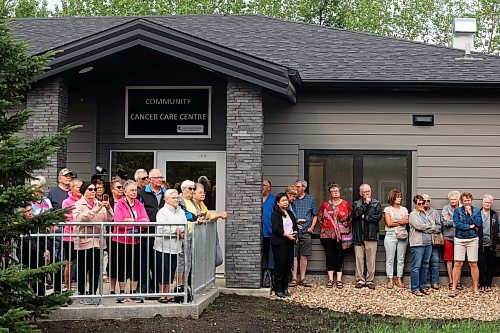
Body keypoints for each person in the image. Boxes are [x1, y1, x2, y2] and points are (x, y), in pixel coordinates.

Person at [73, 182, 113, 305]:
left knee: (95, 270)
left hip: (98, 241)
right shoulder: (78, 204)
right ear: (84, 191)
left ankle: (92, 292)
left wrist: (108, 208)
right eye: (90, 189)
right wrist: (95, 210)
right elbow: (80, 219)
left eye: (94, 189)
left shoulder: (99, 203)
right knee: (82, 269)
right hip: (84, 241)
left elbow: (110, 218)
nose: (93, 191)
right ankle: (82, 293)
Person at [112, 180, 149, 303]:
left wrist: (132, 221)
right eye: (132, 190)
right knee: (122, 266)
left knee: (135, 266)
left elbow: (146, 221)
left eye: (135, 190)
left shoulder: (139, 204)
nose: (134, 192)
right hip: (121, 240)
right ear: (125, 192)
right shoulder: (120, 204)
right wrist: (137, 222)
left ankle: (133, 292)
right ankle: (122, 292)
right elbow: (118, 222)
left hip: (135, 240)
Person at [154, 189, 186, 303]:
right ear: (166, 199)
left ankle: (168, 293)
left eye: (177, 197)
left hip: (176, 247)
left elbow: (184, 225)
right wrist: (175, 230)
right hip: (163, 247)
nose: (176, 200)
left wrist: (182, 231)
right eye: (173, 198)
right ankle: (162, 294)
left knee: (171, 271)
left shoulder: (181, 211)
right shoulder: (162, 212)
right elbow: (161, 228)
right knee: (163, 270)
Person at [138, 168, 166, 296]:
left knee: (158, 261)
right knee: (145, 260)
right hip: (146, 232)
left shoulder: (166, 193)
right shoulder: (142, 193)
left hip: (161, 232)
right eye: (157, 178)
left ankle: (155, 287)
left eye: (161, 177)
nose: (160, 180)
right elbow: (138, 210)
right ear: (150, 179)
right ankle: (145, 287)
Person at [318, 183, 352, 289]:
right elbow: (320, 217)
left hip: (342, 235)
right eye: (333, 190)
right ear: (330, 193)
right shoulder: (325, 205)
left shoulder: (346, 204)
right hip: (327, 235)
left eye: (337, 190)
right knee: (330, 255)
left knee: (339, 255)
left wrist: (343, 228)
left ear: (340, 192)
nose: (335, 192)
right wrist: (328, 227)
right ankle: (330, 279)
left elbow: (350, 217)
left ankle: (339, 280)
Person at [449, 192, 482, 297]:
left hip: (472, 239)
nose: (467, 202)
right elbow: (456, 224)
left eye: (468, 200)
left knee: (473, 263)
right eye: (465, 201)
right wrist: (470, 226)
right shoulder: (457, 211)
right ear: (461, 201)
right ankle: (454, 287)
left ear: (471, 200)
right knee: (458, 263)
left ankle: (476, 287)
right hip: (460, 239)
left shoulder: (476, 210)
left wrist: (471, 214)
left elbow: (479, 224)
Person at [352, 183, 382, 289]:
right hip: (359, 235)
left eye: (368, 191)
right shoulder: (356, 203)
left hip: (371, 235)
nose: (366, 193)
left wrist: (366, 217)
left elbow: (378, 217)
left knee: (371, 259)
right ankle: (360, 280)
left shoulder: (376, 203)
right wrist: (365, 205)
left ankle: (370, 280)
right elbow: (356, 214)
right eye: (364, 192)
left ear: (371, 191)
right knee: (359, 259)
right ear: (361, 193)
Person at [290, 179, 317, 288]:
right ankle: (294, 278)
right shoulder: (292, 199)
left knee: (304, 255)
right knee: (294, 255)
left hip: (306, 231)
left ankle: (303, 278)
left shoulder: (310, 199)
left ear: (303, 188)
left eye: (298, 187)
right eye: (295, 186)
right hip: (293, 231)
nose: (296, 188)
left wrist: (312, 227)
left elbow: (315, 214)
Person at [409, 195, 437, 296]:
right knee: (416, 266)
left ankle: (423, 286)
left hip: (428, 243)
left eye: (423, 202)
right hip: (417, 244)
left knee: (425, 266)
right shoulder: (413, 214)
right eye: (419, 203)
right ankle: (415, 288)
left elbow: (434, 226)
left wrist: (426, 227)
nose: (422, 205)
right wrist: (428, 227)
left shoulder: (425, 214)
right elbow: (418, 226)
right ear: (415, 204)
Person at [271, 193, 298, 298]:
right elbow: (276, 229)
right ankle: (278, 289)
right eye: (283, 200)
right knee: (280, 266)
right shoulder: (275, 214)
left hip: (290, 242)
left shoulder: (290, 213)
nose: (285, 202)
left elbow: (295, 226)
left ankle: (285, 287)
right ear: (278, 202)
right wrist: (287, 235)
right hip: (279, 242)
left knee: (288, 266)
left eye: (286, 200)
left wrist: (295, 234)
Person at [383, 189, 408, 289]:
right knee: (390, 259)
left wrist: (395, 221)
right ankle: (390, 279)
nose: (400, 198)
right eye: (397, 197)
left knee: (401, 259)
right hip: (390, 235)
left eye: (400, 196)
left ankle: (399, 279)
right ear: (392, 198)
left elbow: (407, 220)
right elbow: (388, 223)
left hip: (402, 235)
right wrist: (400, 221)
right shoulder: (387, 209)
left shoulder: (404, 209)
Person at [61, 178, 83, 290]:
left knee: (82, 263)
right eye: (78, 187)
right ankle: (67, 287)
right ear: (72, 188)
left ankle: (81, 288)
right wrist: (78, 218)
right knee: (69, 263)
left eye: (81, 187)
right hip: (69, 236)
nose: (80, 189)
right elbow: (65, 217)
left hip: (83, 236)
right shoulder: (66, 202)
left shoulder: (84, 200)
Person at [177, 180, 197, 285]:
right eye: (190, 188)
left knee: (188, 261)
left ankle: (185, 285)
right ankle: (180, 285)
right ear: (183, 189)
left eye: (194, 188)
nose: (193, 191)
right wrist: (196, 218)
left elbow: (198, 213)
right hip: (183, 234)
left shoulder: (193, 201)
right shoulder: (179, 200)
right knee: (181, 261)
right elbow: (186, 214)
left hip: (191, 234)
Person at [441, 190, 462, 289]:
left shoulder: (462, 208)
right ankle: (451, 280)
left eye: (454, 199)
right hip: (448, 237)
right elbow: (446, 223)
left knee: (459, 260)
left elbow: (464, 221)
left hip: (460, 237)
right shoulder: (446, 208)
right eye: (451, 199)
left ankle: (458, 281)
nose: (452, 201)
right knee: (449, 260)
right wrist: (457, 221)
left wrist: (451, 219)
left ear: (458, 200)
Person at [422, 194, 442, 290]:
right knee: (424, 262)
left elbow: (439, 227)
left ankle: (435, 281)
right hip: (423, 241)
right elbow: (418, 227)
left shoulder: (435, 212)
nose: (426, 202)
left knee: (435, 261)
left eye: (428, 201)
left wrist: (428, 229)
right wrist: (431, 228)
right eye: (425, 200)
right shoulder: (418, 212)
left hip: (434, 241)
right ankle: (426, 281)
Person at [478, 195, 497, 292]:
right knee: (481, 264)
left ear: (491, 204)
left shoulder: (495, 214)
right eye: (486, 202)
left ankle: (488, 283)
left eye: (489, 202)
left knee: (490, 265)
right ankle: (482, 283)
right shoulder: (477, 213)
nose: (487, 204)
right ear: (482, 202)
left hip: (491, 244)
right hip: (480, 244)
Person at [262, 179, 275, 279]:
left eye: (264, 185)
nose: (261, 186)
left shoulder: (273, 200)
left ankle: (268, 276)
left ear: (269, 188)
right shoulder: (255, 199)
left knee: (269, 255)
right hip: (257, 234)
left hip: (270, 232)